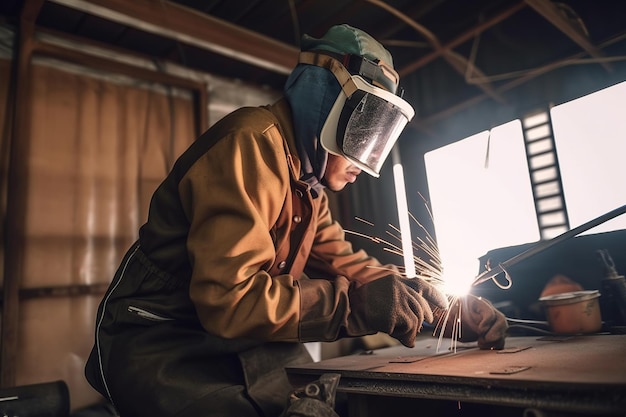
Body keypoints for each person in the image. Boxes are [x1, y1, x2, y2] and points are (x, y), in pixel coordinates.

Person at [84, 24, 508, 417]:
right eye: (365, 126)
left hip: (241, 338)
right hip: (163, 344)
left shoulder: (306, 186)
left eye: (380, 132)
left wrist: (439, 307)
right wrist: (359, 308)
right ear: (325, 102)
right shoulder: (250, 143)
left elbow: (353, 268)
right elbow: (231, 301)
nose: (367, 154)